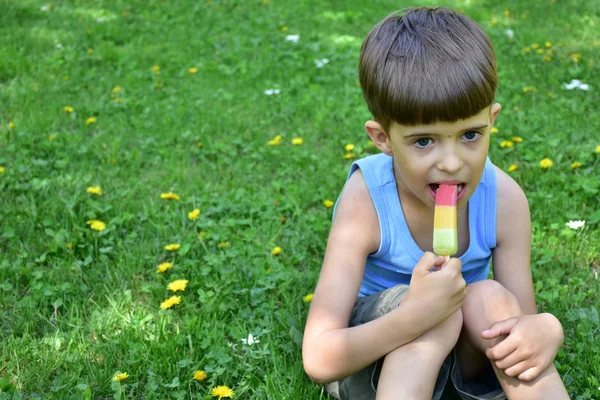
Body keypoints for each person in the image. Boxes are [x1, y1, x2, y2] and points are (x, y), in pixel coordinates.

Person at [302, 7, 569, 400]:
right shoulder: (366, 201)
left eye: (470, 135)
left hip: (464, 364)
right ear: (383, 138)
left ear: (492, 121)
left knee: (488, 298)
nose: (451, 162)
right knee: (437, 317)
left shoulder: (504, 199)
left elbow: (520, 325)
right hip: (372, 361)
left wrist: (546, 330)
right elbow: (321, 358)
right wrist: (415, 315)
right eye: (424, 141)